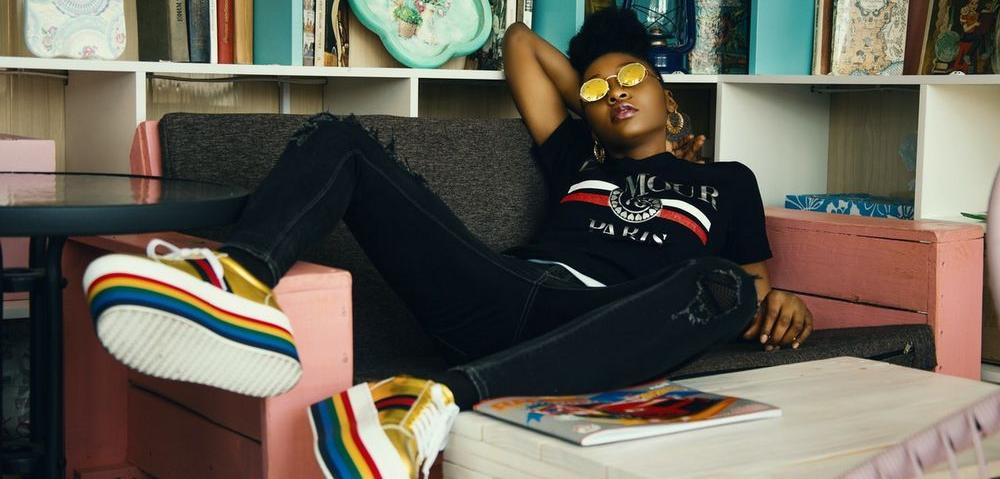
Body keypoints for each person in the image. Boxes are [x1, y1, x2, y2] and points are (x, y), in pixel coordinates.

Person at [82, 7, 813, 479]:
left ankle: (429, 401)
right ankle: (239, 282)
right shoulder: (575, 155)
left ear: (669, 94)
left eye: (631, 79)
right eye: (595, 89)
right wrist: (596, 101)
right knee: (341, 137)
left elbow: (752, 288)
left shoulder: (727, 181)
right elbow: (520, 43)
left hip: (609, 321)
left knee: (723, 286)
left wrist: (781, 304)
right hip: (505, 291)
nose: (615, 91)